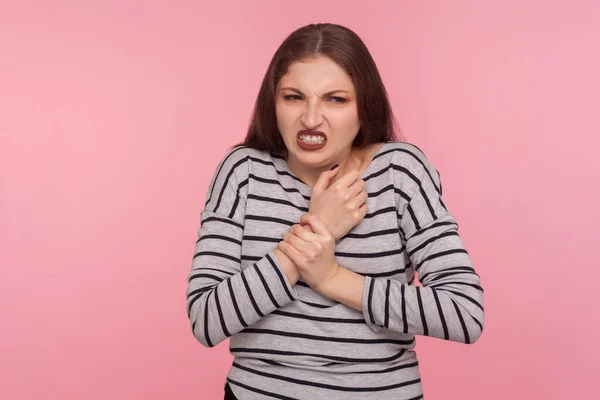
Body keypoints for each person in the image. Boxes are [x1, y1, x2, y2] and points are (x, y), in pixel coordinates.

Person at [186, 23, 484, 400]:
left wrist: (332, 278)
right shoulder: (242, 171)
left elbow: (465, 313)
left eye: (335, 99)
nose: (311, 119)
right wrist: (318, 229)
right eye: (294, 97)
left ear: (365, 106)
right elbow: (207, 320)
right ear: (272, 102)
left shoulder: (400, 173)